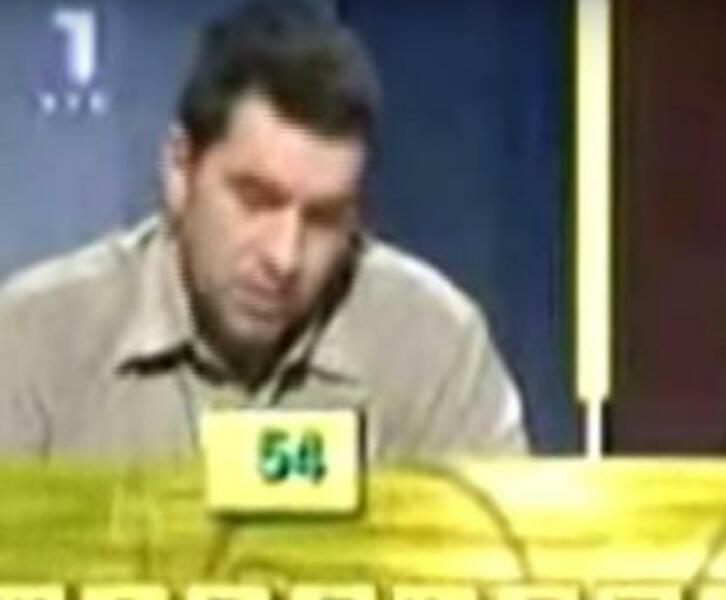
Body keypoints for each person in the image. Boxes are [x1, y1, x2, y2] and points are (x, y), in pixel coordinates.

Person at [0, 1, 527, 460]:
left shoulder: (435, 348)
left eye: (323, 218)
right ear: (180, 170)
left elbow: (506, 544)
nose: (284, 256)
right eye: (256, 201)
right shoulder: (33, 342)